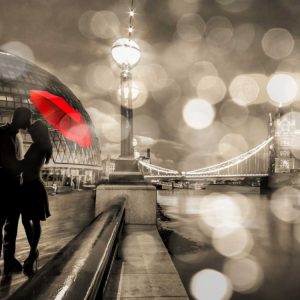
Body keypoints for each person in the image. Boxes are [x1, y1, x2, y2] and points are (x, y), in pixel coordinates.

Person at [0, 107, 32, 274]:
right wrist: (27, 162)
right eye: (28, 119)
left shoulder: (17, 135)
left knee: (11, 227)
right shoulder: (3, 134)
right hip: (3, 188)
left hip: (13, 188)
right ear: (20, 118)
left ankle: (9, 259)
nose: (29, 123)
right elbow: (9, 164)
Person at [21, 120, 52, 275]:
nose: (31, 135)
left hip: (32, 187)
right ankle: (33, 251)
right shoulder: (42, 147)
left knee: (30, 220)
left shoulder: (37, 147)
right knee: (30, 220)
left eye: (33, 132)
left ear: (38, 133)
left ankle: (32, 252)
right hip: (31, 186)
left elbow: (25, 165)